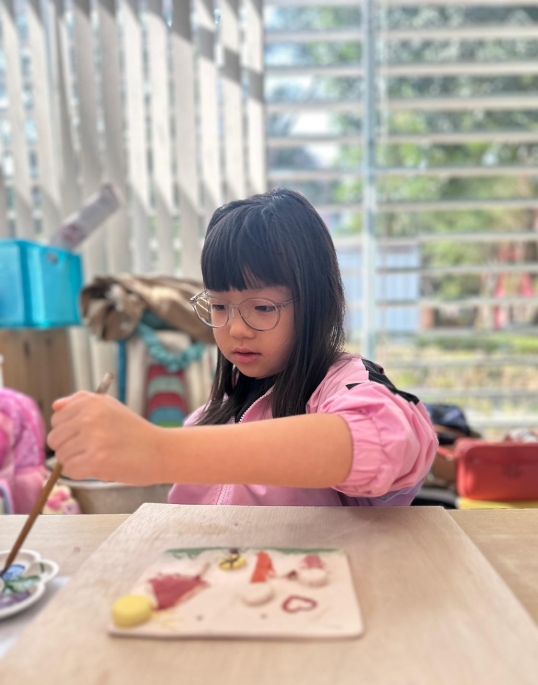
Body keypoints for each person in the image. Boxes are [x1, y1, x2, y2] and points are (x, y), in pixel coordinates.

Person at [48, 189, 437, 506]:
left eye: (263, 308)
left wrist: (158, 450)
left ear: (315, 304)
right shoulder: (208, 419)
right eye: (219, 306)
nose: (236, 329)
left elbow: (383, 440)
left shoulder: (345, 385)